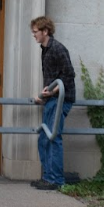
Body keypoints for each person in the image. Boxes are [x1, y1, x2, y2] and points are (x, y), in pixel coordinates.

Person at [30, 16, 75, 190]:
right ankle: (48, 177)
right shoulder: (45, 49)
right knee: (44, 138)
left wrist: (52, 91)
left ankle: (55, 180)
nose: (34, 35)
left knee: (53, 137)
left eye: (35, 32)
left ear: (45, 31)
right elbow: (53, 77)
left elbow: (68, 75)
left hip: (61, 100)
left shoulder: (57, 48)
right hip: (53, 99)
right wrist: (44, 95)